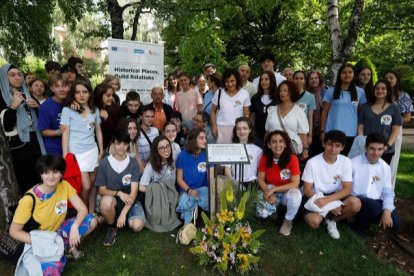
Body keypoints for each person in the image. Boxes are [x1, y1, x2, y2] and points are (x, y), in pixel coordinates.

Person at [10, 155, 97, 269]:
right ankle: (62, 250)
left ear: (61, 174)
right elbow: (14, 232)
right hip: (41, 238)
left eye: (55, 172)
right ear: (41, 175)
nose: (51, 176)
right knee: (53, 270)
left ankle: (66, 247)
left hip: (58, 230)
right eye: (46, 172)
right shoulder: (28, 200)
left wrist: (75, 226)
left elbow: (82, 209)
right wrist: (40, 242)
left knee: (92, 221)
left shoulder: (64, 185)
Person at [302, 130, 361, 239]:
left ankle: (331, 220)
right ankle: (325, 214)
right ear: (324, 144)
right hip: (316, 195)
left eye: (337, 146)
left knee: (355, 204)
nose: (333, 149)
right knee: (314, 222)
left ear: (342, 148)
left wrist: (328, 202)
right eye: (330, 144)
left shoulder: (346, 161)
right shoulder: (312, 162)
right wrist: (329, 206)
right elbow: (307, 190)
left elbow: (347, 189)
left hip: (335, 195)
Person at [0, 64, 45, 195]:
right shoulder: (2, 98)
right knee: (27, 186)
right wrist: (13, 107)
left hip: (36, 145)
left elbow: (42, 121)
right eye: (12, 75)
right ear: (4, 77)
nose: (18, 78)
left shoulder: (28, 95)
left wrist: (37, 107)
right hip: (19, 150)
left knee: (42, 182)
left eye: (19, 74)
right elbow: (7, 127)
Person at [96, 130, 145, 246]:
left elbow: (133, 193)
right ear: (113, 144)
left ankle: (124, 218)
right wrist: (119, 193)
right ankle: (112, 227)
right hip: (114, 199)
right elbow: (101, 190)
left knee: (137, 226)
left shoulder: (133, 163)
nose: (121, 147)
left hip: (131, 201)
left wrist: (123, 213)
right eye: (118, 143)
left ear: (128, 145)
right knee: (105, 202)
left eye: (125, 144)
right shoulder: (104, 163)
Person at [61, 80, 104, 213]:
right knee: (85, 186)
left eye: (84, 92)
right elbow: (65, 133)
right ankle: (82, 212)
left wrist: (101, 150)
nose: (81, 95)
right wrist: (65, 155)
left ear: (89, 93)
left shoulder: (95, 110)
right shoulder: (67, 110)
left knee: (93, 185)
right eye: (78, 92)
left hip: (92, 150)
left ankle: (91, 213)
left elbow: (98, 130)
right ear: (73, 94)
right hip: (76, 153)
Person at [350, 133, 400, 237]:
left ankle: (369, 218)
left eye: (380, 149)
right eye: (372, 149)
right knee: (373, 208)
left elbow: (388, 192)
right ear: (366, 148)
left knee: (396, 223)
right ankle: (358, 229)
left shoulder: (385, 167)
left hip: (376, 201)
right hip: (357, 199)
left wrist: (387, 212)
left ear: (384, 149)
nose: (376, 153)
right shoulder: (353, 163)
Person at [256, 130, 302, 236]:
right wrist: (269, 193)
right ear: (268, 144)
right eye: (274, 142)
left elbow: (295, 183)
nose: (278, 145)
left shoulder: (293, 159)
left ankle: (288, 221)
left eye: (281, 141)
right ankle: (274, 209)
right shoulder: (265, 157)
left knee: (296, 195)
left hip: (286, 191)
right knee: (261, 213)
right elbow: (260, 179)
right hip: (270, 189)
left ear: (285, 144)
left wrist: (274, 190)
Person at [320, 63, 367, 156]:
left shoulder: (360, 92)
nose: (347, 74)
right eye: (344, 72)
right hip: (333, 131)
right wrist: (322, 131)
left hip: (352, 133)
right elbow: (324, 112)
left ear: (354, 75)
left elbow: (362, 113)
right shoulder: (331, 91)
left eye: (350, 72)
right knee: (332, 160)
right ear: (340, 75)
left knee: (348, 162)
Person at [358, 80, 402, 164]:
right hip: (367, 150)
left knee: (382, 175)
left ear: (388, 91)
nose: (380, 91)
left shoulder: (394, 108)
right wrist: (362, 143)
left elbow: (395, 131)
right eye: (377, 88)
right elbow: (360, 127)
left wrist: (386, 147)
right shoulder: (365, 107)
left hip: (386, 151)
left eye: (383, 89)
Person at [383, 70, 414, 188]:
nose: (389, 80)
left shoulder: (403, 96)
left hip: (395, 130)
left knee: (392, 160)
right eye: (386, 78)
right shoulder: (380, 93)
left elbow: (407, 117)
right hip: (379, 130)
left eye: (391, 78)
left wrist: (391, 121)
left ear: (397, 80)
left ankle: (390, 189)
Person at [176, 128, 213, 224]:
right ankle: (195, 212)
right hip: (186, 190)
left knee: (210, 200)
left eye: (205, 138)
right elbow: (179, 179)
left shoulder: (208, 155)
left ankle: (197, 210)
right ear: (193, 140)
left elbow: (211, 179)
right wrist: (189, 190)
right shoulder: (182, 155)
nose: (205, 140)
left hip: (203, 189)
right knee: (186, 201)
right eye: (201, 138)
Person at [265, 80, 309, 159]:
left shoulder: (299, 111)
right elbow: (267, 131)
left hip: (291, 151)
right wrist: (265, 147)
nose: (282, 93)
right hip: (273, 151)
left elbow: (303, 134)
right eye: (281, 91)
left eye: (285, 90)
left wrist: (305, 150)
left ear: (292, 92)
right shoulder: (272, 110)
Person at [210, 68, 251, 144]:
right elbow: (213, 111)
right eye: (227, 81)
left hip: (239, 130)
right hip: (221, 129)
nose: (229, 84)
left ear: (237, 80)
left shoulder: (244, 93)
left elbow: (246, 115)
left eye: (232, 81)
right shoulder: (219, 92)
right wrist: (214, 127)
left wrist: (244, 130)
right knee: (222, 154)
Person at [224, 117, 262, 187]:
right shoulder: (230, 148)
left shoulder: (258, 150)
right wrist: (233, 184)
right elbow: (227, 170)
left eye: (245, 128)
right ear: (235, 131)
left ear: (250, 130)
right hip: (235, 183)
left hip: (252, 184)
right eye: (238, 129)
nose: (241, 132)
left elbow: (260, 171)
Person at [38, 75, 70, 156]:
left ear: (69, 87)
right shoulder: (46, 107)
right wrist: (58, 132)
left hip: (71, 147)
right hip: (54, 149)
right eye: (57, 86)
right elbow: (43, 131)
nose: (61, 89)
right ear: (52, 88)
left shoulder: (72, 102)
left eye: (64, 86)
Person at [250, 71, 278, 147]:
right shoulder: (255, 98)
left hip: (274, 137)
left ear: (272, 81)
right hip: (257, 137)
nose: (263, 82)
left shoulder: (278, 99)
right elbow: (252, 116)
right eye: (261, 80)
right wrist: (252, 131)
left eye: (266, 79)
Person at [293, 70, 317, 147]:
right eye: (296, 78)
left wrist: (310, 135)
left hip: (303, 133)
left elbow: (310, 117)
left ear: (305, 80)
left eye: (301, 78)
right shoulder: (288, 95)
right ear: (293, 80)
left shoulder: (310, 97)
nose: (299, 81)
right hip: (290, 131)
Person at [94, 83, 120, 151]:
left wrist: (107, 118)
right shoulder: (91, 108)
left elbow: (116, 128)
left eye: (112, 95)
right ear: (99, 95)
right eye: (108, 95)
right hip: (92, 147)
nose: (111, 98)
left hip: (108, 147)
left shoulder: (114, 108)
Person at [306, 70, 326, 157]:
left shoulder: (325, 93)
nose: (313, 80)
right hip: (308, 129)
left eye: (316, 78)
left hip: (322, 129)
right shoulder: (305, 94)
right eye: (311, 79)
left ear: (319, 79)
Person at [137, 105, 159, 172]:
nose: (150, 119)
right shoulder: (136, 133)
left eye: (152, 116)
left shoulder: (155, 130)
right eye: (147, 116)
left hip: (154, 166)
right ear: (141, 117)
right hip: (141, 167)